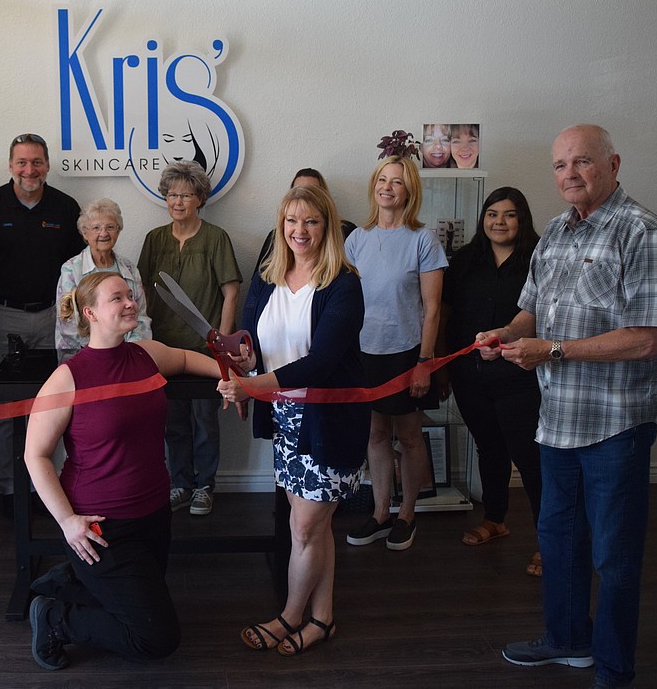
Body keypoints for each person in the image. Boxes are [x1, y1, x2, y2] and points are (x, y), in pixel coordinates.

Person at [479, 125, 657, 689]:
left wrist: (555, 350)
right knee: (559, 542)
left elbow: (647, 338)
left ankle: (614, 669)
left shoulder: (644, 232)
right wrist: (503, 334)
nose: (569, 173)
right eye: (560, 164)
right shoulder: (553, 236)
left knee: (614, 558)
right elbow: (530, 314)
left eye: (583, 162)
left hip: (618, 424)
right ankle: (568, 640)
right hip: (558, 422)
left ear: (613, 164)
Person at [24, 271, 223, 670]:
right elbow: (36, 456)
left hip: (154, 513)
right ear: (91, 312)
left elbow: (184, 358)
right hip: (101, 526)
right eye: (117, 298)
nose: (130, 303)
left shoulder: (145, 355)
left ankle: (75, 581)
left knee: (139, 602)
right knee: (156, 637)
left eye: (130, 296)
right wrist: (67, 522)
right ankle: (53, 617)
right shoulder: (68, 377)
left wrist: (229, 375)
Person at [217, 184, 370, 656]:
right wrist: (242, 370)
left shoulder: (344, 282)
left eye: (311, 222)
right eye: (291, 221)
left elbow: (321, 362)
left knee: (304, 528)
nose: (299, 231)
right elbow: (254, 346)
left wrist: (252, 386)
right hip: (285, 416)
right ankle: (322, 619)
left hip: (328, 420)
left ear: (327, 227)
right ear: (280, 226)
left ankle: (288, 616)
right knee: (314, 527)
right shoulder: (268, 276)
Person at [0, 133, 83, 517]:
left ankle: (55, 487)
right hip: (2, 316)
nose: (29, 170)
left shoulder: (66, 208)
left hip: (56, 317)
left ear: (47, 165)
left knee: (59, 407)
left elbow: (77, 272)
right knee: (7, 409)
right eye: (21, 162)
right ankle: (11, 489)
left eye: (36, 162)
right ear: (10, 165)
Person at [344, 154, 446, 551]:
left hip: (406, 353)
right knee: (375, 433)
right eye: (382, 180)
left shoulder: (423, 239)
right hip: (363, 353)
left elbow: (433, 308)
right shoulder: (356, 239)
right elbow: (346, 303)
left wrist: (424, 363)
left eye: (397, 182)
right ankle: (381, 512)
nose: (387, 187)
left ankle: (407, 515)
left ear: (409, 191)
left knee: (409, 435)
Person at [439, 186, 542, 576]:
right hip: (470, 375)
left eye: (510, 214)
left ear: (523, 219)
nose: (500, 222)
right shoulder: (465, 260)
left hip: (520, 374)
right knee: (489, 448)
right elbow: (446, 316)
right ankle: (495, 519)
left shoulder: (538, 260)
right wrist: (444, 370)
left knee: (530, 460)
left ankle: (547, 540)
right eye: (492, 213)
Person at [138, 160, 242, 517]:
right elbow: (144, 294)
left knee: (205, 420)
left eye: (185, 194)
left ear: (200, 198)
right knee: (172, 420)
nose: (177, 201)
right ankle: (180, 483)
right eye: (171, 194)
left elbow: (230, 293)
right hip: (163, 348)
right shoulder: (154, 239)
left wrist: (224, 344)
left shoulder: (215, 238)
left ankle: (205, 486)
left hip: (204, 350)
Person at [55, 197, 151, 363]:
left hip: (127, 357)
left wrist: (129, 350)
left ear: (118, 231)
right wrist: (100, 353)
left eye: (110, 227)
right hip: (82, 357)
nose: (104, 233)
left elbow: (141, 316)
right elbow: (68, 323)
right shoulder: (71, 270)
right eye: (96, 228)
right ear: (85, 233)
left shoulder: (129, 268)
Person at [256, 168, 356, 267]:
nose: (304, 196)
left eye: (312, 191)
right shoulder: (275, 236)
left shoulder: (348, 232)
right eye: (298, 190)